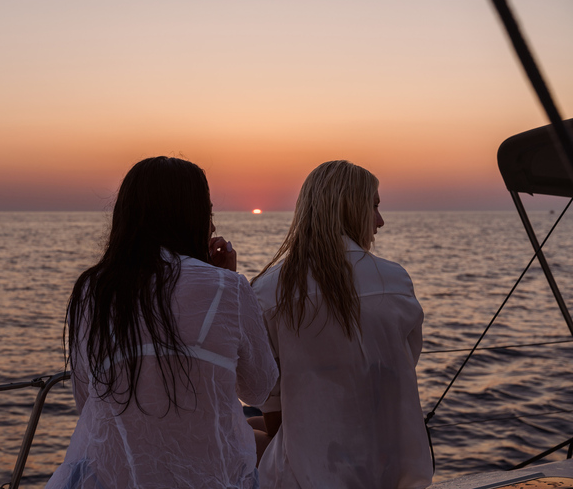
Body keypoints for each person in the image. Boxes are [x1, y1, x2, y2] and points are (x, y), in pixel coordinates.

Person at [46, 156, 279, 489]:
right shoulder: (229, 287)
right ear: (189, 218)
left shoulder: (91, 290)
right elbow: (259, 387)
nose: (212, 227)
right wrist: (225, 278)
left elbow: (87, 402)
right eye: (208, 214)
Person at [251, 160, 432, 488]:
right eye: (373, 207)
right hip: (394, 473)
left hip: (301, 478)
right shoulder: (395, 281)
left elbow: (266, 392)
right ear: (350, 209)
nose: (380, 221)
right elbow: (402, 364)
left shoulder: (267, 290)